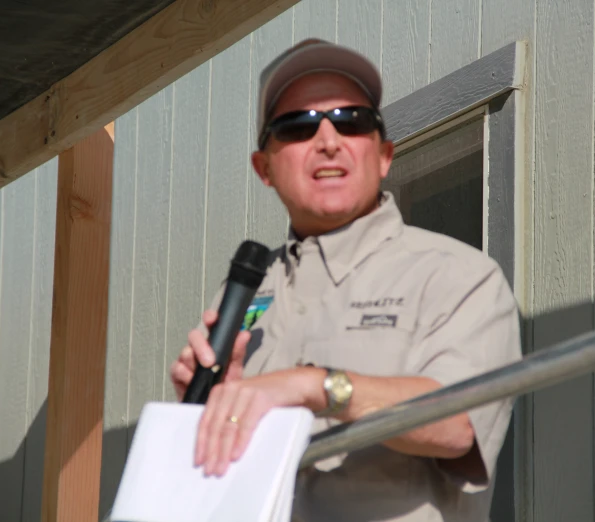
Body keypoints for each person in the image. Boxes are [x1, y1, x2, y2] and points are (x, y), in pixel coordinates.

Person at [169, 38, 522, 522]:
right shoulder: (243, 294)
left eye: (352, 122)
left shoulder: (458, 276)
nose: (328, 140)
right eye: (298, 126)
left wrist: (316, 386)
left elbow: (461, 425)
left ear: (384, 156)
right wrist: (210, 403)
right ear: (264, 168)